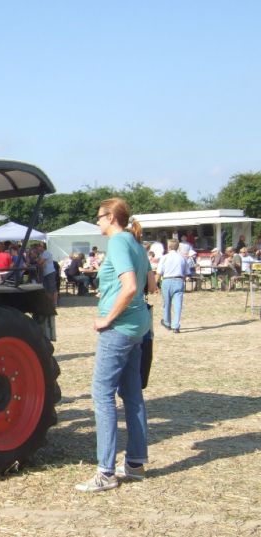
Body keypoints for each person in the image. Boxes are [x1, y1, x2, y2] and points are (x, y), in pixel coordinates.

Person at [76, 198, 155, 493]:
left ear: (111, 217)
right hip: (138, 327)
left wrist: (107, 316)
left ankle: (106, 472)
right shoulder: (136, 243)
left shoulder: (120, 242)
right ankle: (135, 463)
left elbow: (132, 287)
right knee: (132, 394)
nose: (97, 222)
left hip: (118, 327)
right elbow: (151, 284)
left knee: (102, 395)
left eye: (99, 217)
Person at [156, 239, 188, 333]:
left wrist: (154, 284)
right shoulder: (182, 258)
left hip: (167, 280)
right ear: (178, 247)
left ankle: (167, 322)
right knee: (178, 305)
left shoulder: (165, 257)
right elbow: (185, 272)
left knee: (167, 303)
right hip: (179, 280)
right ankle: (176, 326)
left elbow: (159, 272)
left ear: (168, 247)